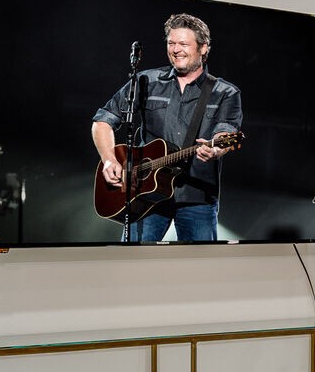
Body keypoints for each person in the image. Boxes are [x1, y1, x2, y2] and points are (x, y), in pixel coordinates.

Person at [91, 13, 245, 242]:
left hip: (197, 199)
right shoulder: (145, 81)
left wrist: (216, 149)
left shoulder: (225, 92)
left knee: (201, 267)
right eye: (171, 43)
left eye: (183, 44)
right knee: (131, 263)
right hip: (143, 196)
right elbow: (102, 121)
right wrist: (109, 159)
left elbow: (225, 133)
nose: (175, 49)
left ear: (203, 48)